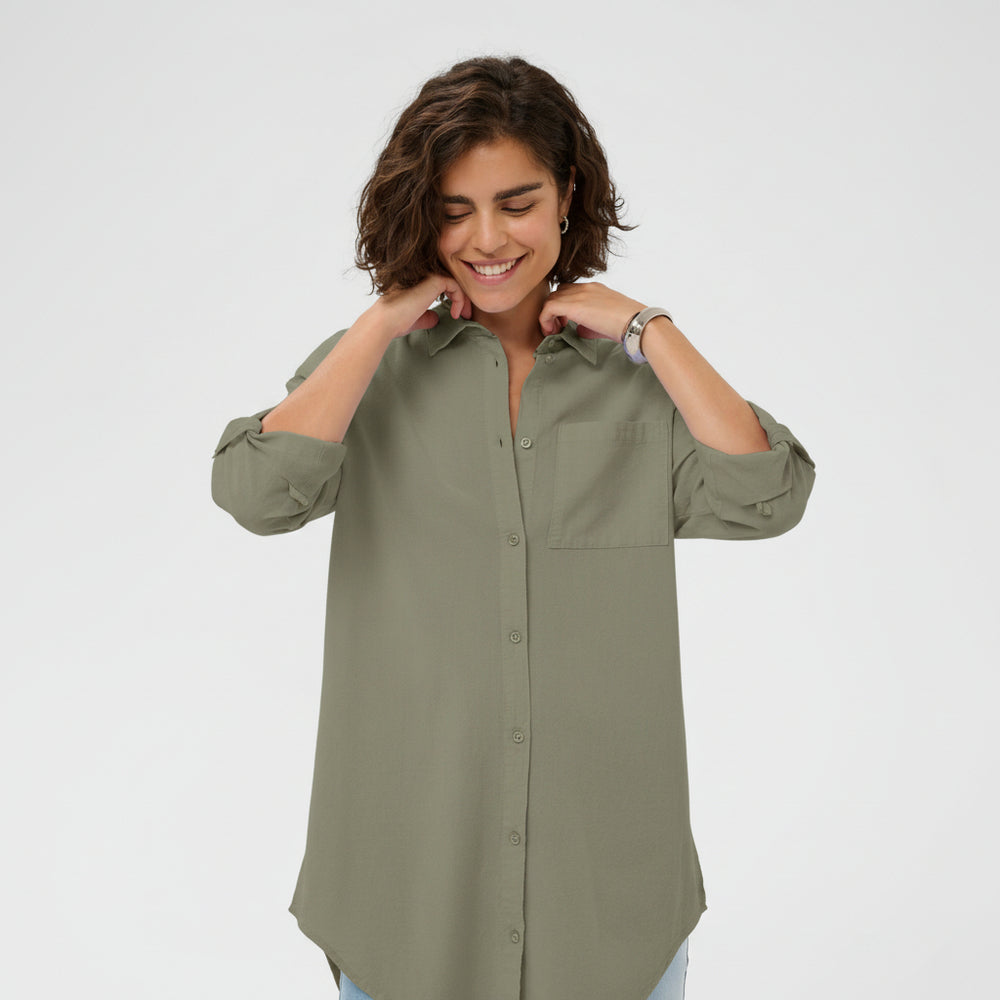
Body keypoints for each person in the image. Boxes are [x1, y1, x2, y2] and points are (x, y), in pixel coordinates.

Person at [211, 55, 817, 1000]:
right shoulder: (372, 372)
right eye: (454, 210)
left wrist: (651, 329)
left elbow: (768, 493)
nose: (487, 238)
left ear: (568, 196)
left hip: (608, 901)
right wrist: (377, 326)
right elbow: (255, 493)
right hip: (406, 895)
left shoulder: (634, 383)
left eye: (517, 203)